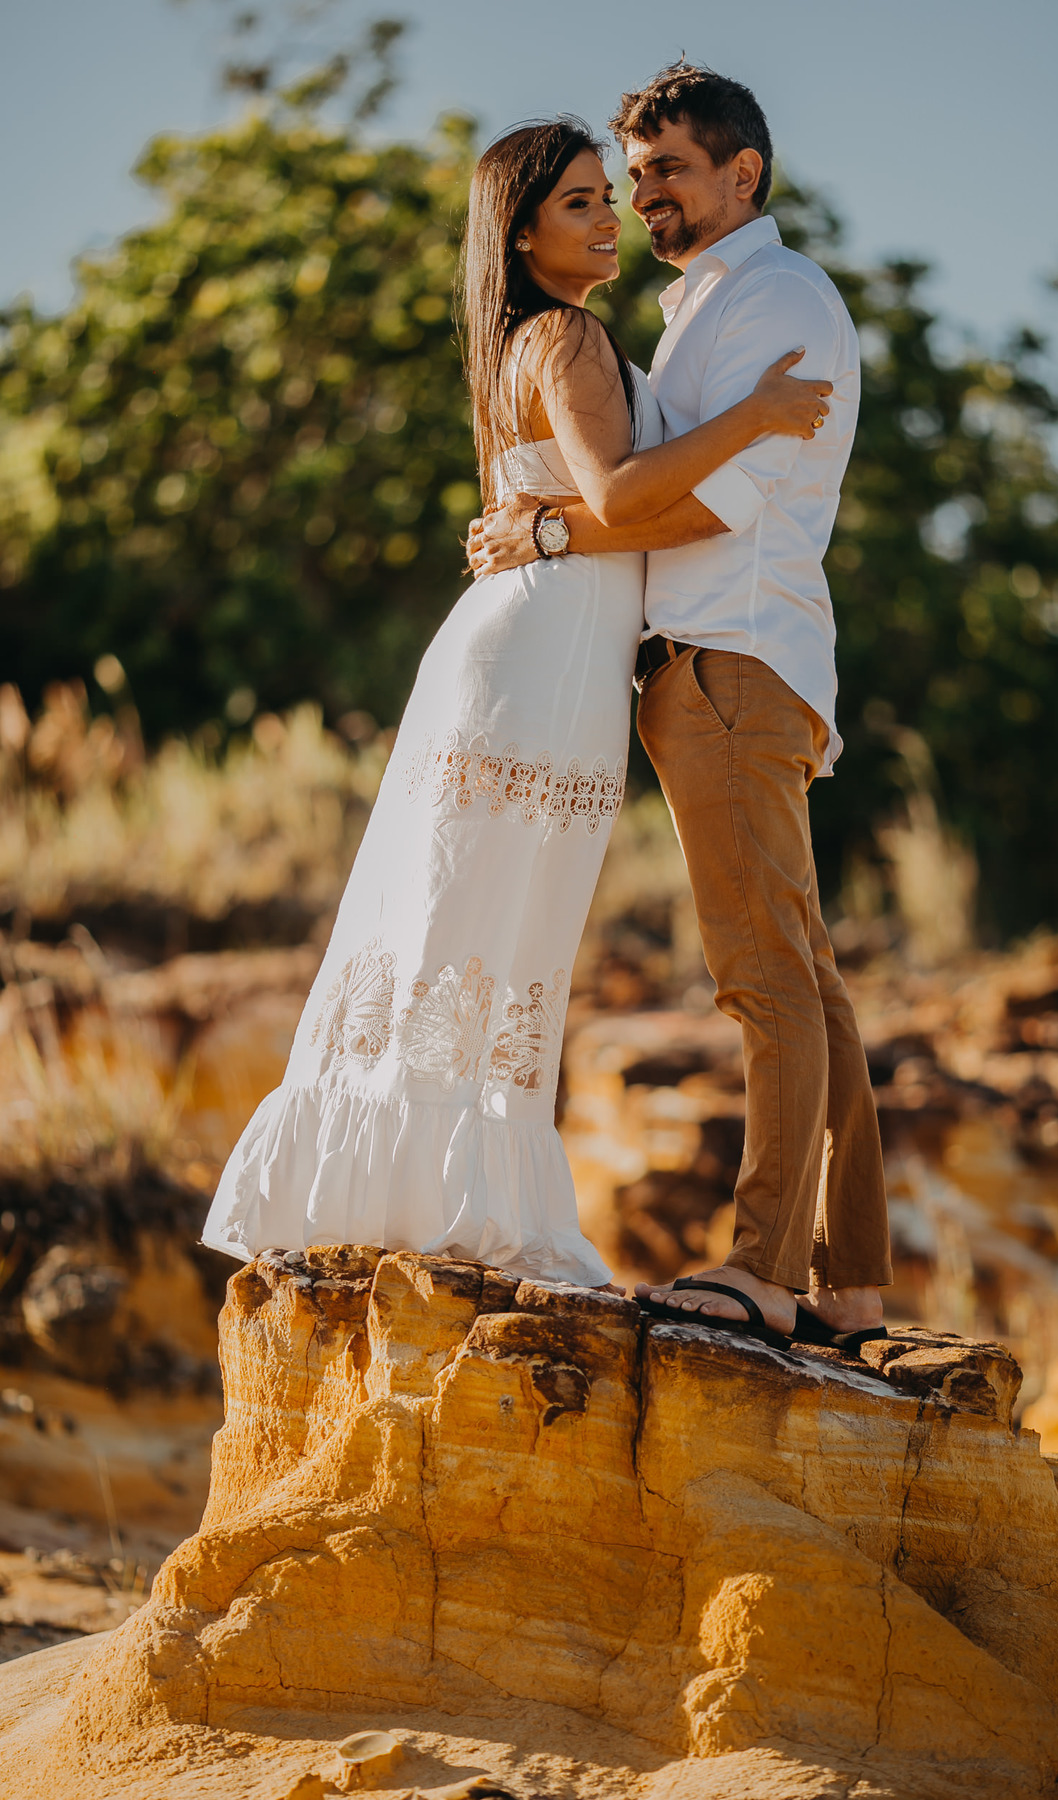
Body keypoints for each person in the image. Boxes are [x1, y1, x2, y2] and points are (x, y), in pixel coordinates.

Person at [202, 116, 830, 1288]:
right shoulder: (571, 336)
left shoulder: (532, 337)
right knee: (483, 915)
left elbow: (575, 505)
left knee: (491, 920)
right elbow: (624, 491)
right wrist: (755, 421)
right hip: (538, 660)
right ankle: (433, 1206)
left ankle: (418, 1194)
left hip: (553, 651)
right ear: (525, 230)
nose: (612, 219)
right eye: (585, 202)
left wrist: (542, 526)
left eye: (612, 195)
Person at [468, 66, 891, 1353]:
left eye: (666, 172)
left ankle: (764, 1267)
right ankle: (850, 1280)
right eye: (630, 177)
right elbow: (664, 489)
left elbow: (706, 505)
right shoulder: (699, 308)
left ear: (742, 176)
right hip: (717, 666)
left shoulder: (779, 300)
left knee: (763, 978)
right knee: (805, 983)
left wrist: (543, 528)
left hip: (730, 662)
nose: (643, 195)